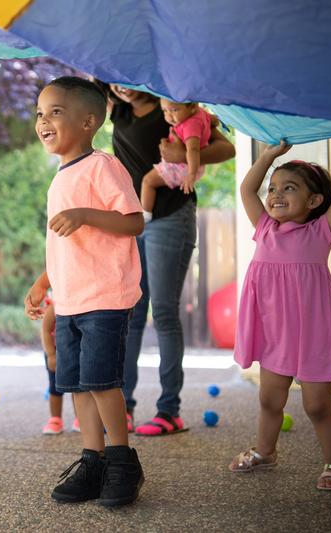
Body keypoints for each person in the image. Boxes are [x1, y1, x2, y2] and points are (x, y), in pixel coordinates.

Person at [25, 76, 145, 507]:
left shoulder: (103, 166)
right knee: (76, 383)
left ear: (89, 121)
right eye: (40, 112)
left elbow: (134, 223)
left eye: (55, 111)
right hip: (70, 299)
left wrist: (85, 214)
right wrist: (43, 283)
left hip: (105, 297)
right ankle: (92, 461)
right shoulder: (60, 177)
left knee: (102, 383)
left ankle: (121, 462)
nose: (43, 120)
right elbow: (63, 243)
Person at [229, 125, 331, 491]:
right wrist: (269, 156)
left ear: (315, 201)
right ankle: (265, 452)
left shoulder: (321, 233)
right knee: (269, 399)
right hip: (275, 333)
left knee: (317, 406)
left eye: (289, 188)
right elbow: (246, 189)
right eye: (273, 188)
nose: (275, 195)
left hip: (314, 332)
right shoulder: (265, 228)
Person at [108, 84, 235, 436]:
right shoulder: (117, 109)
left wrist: (184, 155)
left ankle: (169, 410)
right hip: (133, 220)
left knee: (163, 312)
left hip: (169, 218)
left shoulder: (178, 105)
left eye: (126, 78)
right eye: (113, 81)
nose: (119, 86)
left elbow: (227, 148)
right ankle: (123, 407)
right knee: (131, 311)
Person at [140, 99, 211, 219]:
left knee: (148, 181)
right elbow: (213, 120)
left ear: (192, 106)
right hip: (187, 166)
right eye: (165, 111)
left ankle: (145, 217)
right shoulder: (200, 113)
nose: (168, 116)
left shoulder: (190, 126)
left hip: (182, 167)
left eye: (174, 110)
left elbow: (193, 150)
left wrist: (191, 174)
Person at [40, 298, 80, 434]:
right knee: (55, 387)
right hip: (56, 351)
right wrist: (51, 354)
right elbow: (45, 330)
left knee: (79, 387)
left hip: (76, 350)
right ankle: (55, 419)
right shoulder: (56, 303)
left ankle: (80, 418)